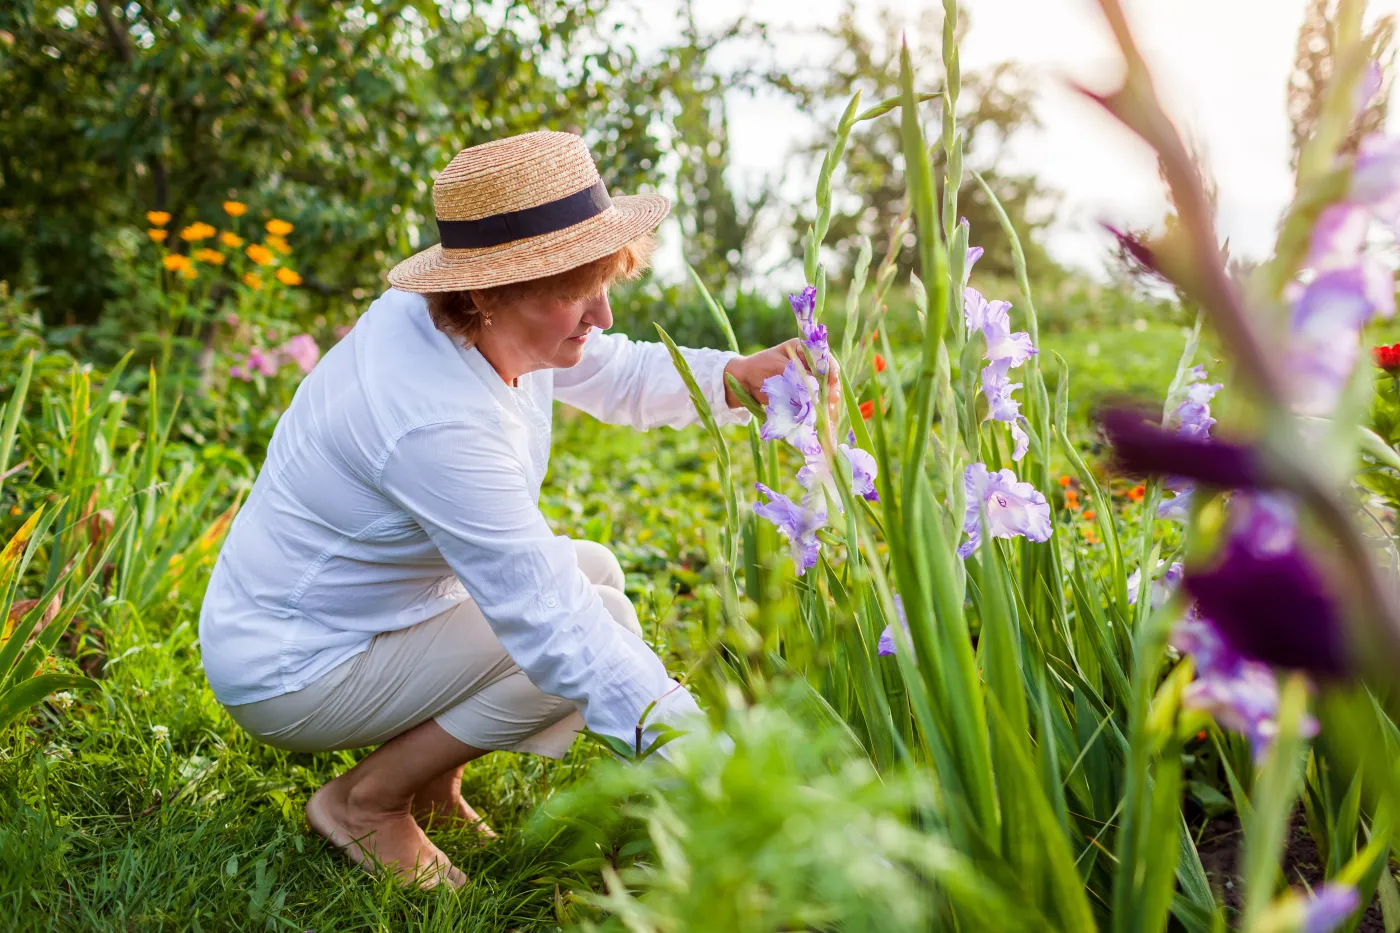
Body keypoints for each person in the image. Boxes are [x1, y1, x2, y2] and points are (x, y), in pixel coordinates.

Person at [198, 130, 835, 888]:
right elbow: (559, 629)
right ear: (484, 289)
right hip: (294, 666)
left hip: (362, 614)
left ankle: (432, 783)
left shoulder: (473, 322)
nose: (599, 313)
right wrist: (728, 780)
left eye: (606, 282)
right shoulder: (431, 420)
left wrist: (732, 375)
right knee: (570, 637)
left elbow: (613, 366)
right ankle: (366, 803)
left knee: (593, 572)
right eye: (575, 290)